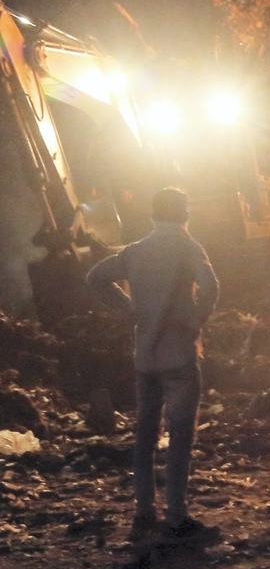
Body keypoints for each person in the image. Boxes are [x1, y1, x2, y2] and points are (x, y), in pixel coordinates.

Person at [86, 188, 220, 544]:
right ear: (184, 213)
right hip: (179, 356)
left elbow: (95, 277)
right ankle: (176, 515)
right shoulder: (188, 247)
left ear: (152, 215)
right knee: (180, 437)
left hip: (145, 358)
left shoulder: (135, 251)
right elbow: (211, 287)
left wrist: (128, 308)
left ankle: (143, 510)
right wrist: (194, 319)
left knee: (144, 436)